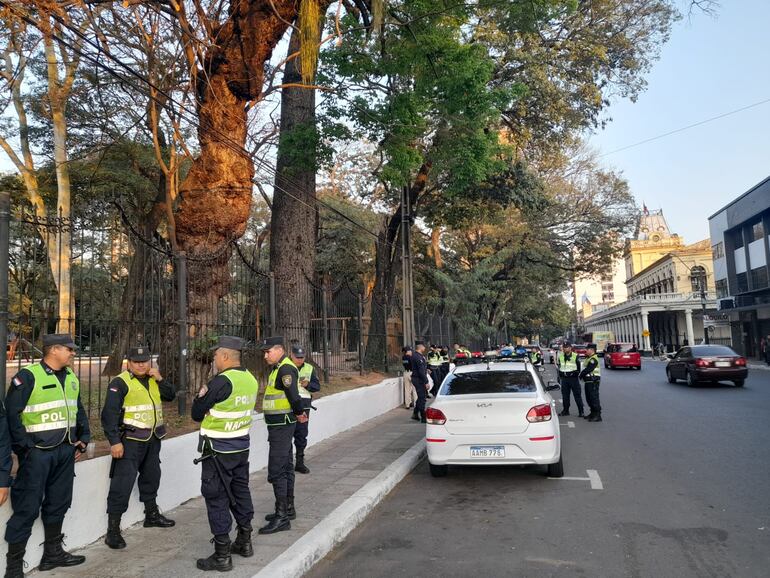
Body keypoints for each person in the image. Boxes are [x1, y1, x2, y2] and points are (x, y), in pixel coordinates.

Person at [4, 334, 90, 576]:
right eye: (69, 349)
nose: (73, 353)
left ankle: (52, 554)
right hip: (37, 454)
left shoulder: (71, 377)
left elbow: (78, 409)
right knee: (27, 507)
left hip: (65, 451)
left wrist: (83, 438)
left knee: (59, 502)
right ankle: (13, 568)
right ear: (53, 350)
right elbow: (12, 415)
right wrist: (26, 449)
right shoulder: (28, 376)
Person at [192, 336, 259, 572]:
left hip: (217, 450)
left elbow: (196, 412)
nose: (213, 359)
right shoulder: (250, 379)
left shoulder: (221, 382)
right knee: (240, 490)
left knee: (216, 497)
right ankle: (245, 540)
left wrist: (202, 402)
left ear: (226, 356)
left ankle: (222, 555)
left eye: (215, 355)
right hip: (240, 447)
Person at [101, 346, 176, 549]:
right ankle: (113, 531)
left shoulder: (153, 380)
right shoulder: (120, 382)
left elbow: (171, 395)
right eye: (137, 361)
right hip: (130, 441)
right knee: (122, 484)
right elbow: (109, 414)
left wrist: (160, 378)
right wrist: (114, 441)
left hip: (153, 438)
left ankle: (151, 515)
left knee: (152, 478)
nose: (141, 365)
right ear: (129, 363)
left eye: (144, 361)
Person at [260, 336, 307, 535]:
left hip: (282, 425)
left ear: (279, 350)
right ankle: (288, 509)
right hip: (279, 425)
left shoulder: (286, 369)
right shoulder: (278, 368)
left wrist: (299, 413)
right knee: (287, 466)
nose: (265, 355)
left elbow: (294, 396)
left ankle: (282, 517)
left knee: (277, 469)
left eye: (268, 351)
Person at [289, 345, 320, 475]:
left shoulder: (309, 368)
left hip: (304, 407)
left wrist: (308, 385)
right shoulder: (286, 368)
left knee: (301, 435)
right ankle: (288, 463)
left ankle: (300, 462)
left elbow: (316, 386)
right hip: (288, 406)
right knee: (287, 435)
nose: (300, 360)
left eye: (302, 357)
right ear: (291, 355)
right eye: (297, 357)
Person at [556, 342, 584, 417]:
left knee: (577, 395)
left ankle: (581, 412)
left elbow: (579, 368)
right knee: (565, 396)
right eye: (564, 347)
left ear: (570, 348)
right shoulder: (561, 356)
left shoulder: (575, 356)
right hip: (564, 379)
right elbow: (559, 367)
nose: (565, 348)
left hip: (573, 379)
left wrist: (575, 373)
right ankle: (565, 411)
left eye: (567, 347)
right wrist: (559, 377)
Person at [579, 344, 602, 422]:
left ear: (592, 350)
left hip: (593, 381)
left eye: (587, 349)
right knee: (589, 398)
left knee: (594, 398)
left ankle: (597, 415)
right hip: (588, 381)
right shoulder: (588, 358)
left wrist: (581, 375)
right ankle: (592, 413)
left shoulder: (593, 359)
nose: (586, 350)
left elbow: (588, 369)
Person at [411, 342, 429, 423]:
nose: (425, 348)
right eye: (424, 346)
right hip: (419, 380)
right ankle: (423, 416)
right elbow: (420, 371)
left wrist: (427, 369)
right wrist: (426, 382)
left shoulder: (419, 356)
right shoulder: (417, 357)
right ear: (420, 347)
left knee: (422, 397)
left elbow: (422, 368)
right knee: (422, 398)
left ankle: (415, 413)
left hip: (419, 379)